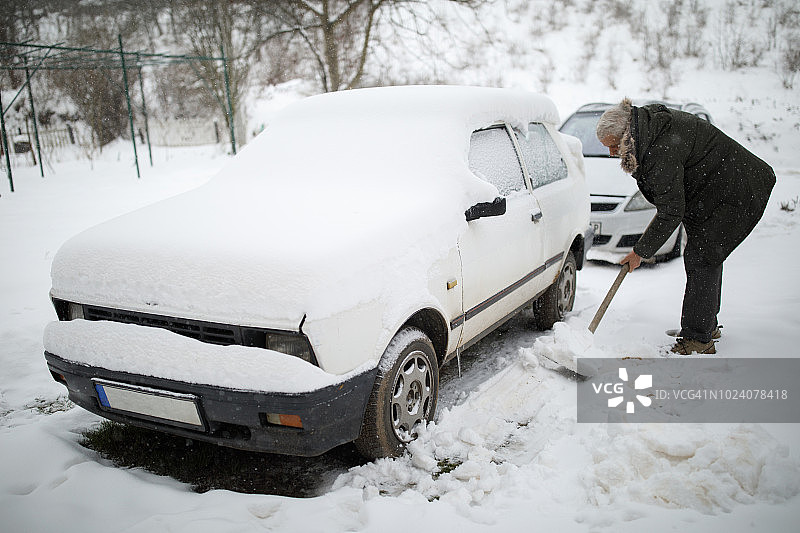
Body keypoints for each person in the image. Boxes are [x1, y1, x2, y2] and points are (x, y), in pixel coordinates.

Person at [595, 98, 775, 354]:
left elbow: (671, 211)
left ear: (625, 134)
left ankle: (697, 339)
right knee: (705, 257)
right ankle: (706, 325)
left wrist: (640, 252)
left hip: (735, 191)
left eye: (613, 146)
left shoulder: (659, 148)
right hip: (715, 192)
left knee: (702, 258)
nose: (612, 153)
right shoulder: (647, 132)